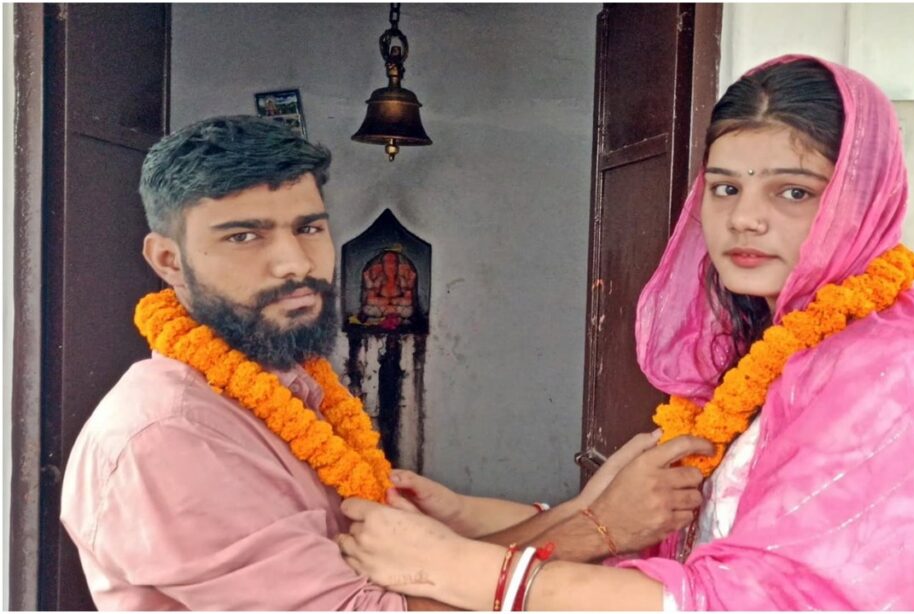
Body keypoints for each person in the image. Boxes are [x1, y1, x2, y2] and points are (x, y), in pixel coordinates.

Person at [336, 55, 914, 610]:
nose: (745, 219)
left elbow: (759, 600)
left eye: (792, 192)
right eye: (726, 188)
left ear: (860, 200)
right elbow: (689, 532)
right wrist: (468, 516)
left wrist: (462, 570)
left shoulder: (906, 359)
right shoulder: (764, 345)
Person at [59, 115, 709, 610]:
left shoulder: (287, 382)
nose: (294, 263)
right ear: (168, 260)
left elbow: (419, 574)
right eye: (245, 236)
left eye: (308, 228)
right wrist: (597, 528)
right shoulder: (171, 435)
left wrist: (592, 511)